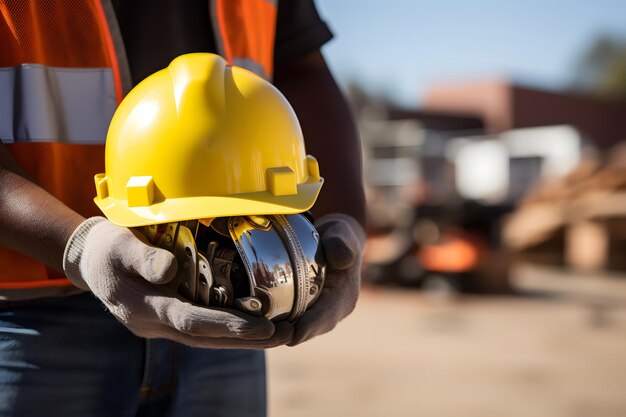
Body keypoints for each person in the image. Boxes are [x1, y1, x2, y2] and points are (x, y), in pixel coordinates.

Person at [0, 1, 366, 416]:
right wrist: (77, 246)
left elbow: (302, 66)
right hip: (32, 315)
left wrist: (347, 221)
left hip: (227, 307)